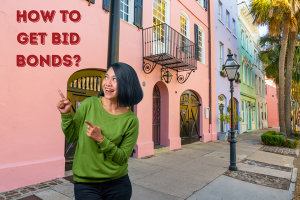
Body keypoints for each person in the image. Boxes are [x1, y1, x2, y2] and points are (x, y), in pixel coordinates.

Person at [56, 62, 143, 200]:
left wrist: (101, 139)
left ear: (126, 83)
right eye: (106, 77)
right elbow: (71, 136)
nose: (108, 83)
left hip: (118, 185)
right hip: (86, 184)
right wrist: (66, 115)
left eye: (115, 79)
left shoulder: (131, 120)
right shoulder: (89, 104)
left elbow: (122, 158)